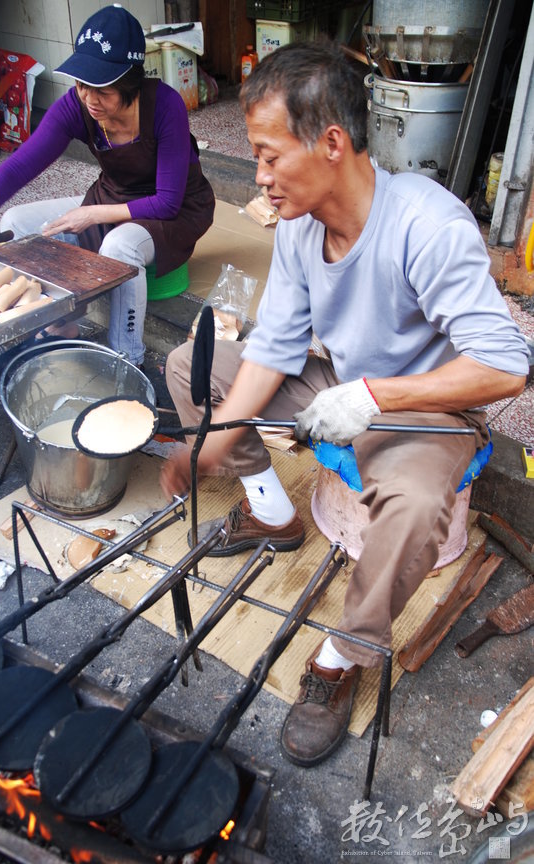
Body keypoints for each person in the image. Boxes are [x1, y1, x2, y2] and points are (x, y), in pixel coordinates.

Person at [160, 40, 529, 767]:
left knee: (420, 503)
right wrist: (206, 444)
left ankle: (340, 656)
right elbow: (272, 350)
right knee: (190, 366)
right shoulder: (299, 227)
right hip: (343, 381)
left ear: (332, 142)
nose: (259, 177)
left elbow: (505, 366)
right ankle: (271, 511)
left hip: (430, 407)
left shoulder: (428, 225)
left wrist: (373, 395)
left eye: (268, 156)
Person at [0, 4, 215, 368]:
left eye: (101, 89)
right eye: (81, 84)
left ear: (129, 81)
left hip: (177, 209)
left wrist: (92, 214)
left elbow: (168, 202)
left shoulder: (165, 105)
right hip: (115, 196)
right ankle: (63, 323)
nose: (89, 98)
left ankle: (125, 359)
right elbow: (21, 165)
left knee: (119, 245)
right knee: (18, 223)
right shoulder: (78, 106)